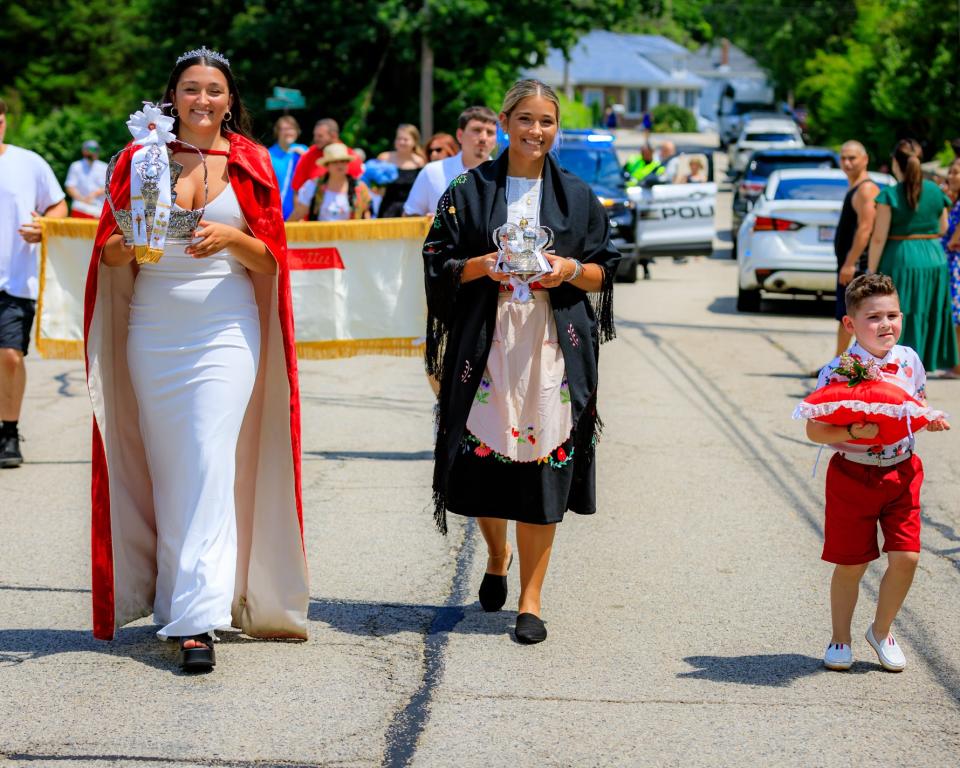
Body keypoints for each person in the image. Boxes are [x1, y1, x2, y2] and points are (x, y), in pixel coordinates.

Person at [84, 46, 309, 671]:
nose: (202, 100)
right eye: (190, 89)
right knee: (174, 466)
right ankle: (179, 599)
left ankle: (197, 622)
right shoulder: (139, 157)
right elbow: (109, 256)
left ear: (229, 100)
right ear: (172, 97)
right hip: (153, 329)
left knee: (210, 458)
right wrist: (138, 239)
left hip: (226, 328)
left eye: (214, 90)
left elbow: (272, 260)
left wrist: (235, 238)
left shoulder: (252, 162)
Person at [423, 79, 620, 645]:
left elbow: (605, 268)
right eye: (527, 119)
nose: (537, 131)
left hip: (552, 344)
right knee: (487, 465)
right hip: (488, 342)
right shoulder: (467, 189)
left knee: (544, 470)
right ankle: (496, 553)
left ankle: (531, 599)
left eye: (547, 121)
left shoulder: (578, 196)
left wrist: (567, 271)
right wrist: (482, 264)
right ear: (505, 122)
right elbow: (437, 260)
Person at [805, 274, 950, 672]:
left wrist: (928, 421)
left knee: (907, 556)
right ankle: (840, 638)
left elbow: (914, 407)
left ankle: (881, 630)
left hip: (902, 471)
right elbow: (814, 428)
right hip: (852, 474)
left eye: (893, 315)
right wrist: (852, 431)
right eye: (874, 317)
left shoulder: (909, 360)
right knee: (852, 563)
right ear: (850, 324)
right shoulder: (837, 370)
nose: (886, 324)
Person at [0, 98, 68, 468]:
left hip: (14, 279)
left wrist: (45, 225)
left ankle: (9, 433)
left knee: (10, 356)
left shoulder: (28, 162)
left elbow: (59, 205)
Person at [867, 139, 958, 373]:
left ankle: (901, 368)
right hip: (932, 256)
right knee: (927, 311)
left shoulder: (889, 194)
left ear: (896, 163)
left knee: (900, 312)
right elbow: (942, 227)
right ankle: (922, 368)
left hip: (901, 256)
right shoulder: (936, 191)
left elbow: (878, 237)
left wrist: (870, 272)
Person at [404, 106, 497, 217]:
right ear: (460, 135)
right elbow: (409, 215)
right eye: (476, 130)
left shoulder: (505, 176)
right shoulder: (432, 172)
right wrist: (428, 224)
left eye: (490, 132)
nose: (483, 138)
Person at [833, 141, 880, 357]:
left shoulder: (866, 189)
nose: (847, 162)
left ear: (865, 159)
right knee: (845, 316)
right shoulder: (854, 187)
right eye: (843, 158)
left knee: (852, 316)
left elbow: (866, 228)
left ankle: (840, 366)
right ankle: (838, 363)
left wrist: (850, 263)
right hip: (849, 264)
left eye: (852, 158)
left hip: (858, 265)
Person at [290, 142, 372, 221]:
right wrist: (284, 230)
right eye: (335, 162)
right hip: (320, 234)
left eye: (343, 161)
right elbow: (299, 212)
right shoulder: (313, 185)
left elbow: (366, 214)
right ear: (327, 165)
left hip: (350, 235)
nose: (340, 165)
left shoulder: (359, 187)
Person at [291, 117, 363, 192]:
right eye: (315, 135)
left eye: (320, 136)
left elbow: (359, 191)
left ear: (334, 136)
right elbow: (297, 189)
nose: (315, 139)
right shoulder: (310, 154)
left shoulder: (350, 156)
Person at [376, 123, 426, 218]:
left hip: (411, 211)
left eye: (405, 139)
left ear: (414, 142)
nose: (401, 142)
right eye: (399, 139)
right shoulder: (384, 158)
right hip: (387, 210)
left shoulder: (420, 162)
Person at [940, 157, 960, 377]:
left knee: (958, 316)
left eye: (956, 172)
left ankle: (958, 365)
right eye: (951, 172)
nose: (951, 176)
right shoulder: (955, 201)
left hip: (957, 263)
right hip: (953, 262)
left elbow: (953, 239)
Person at [267, 115, 308, 220]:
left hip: (300, 213)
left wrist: (305, 157)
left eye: (292, 129)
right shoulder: (268, 155)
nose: (289, 132)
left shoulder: (303, 151)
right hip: (277, 212)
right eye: (285, 129)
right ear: (277, 132)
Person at [65, 140, 108, 219]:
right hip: (80, 208)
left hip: (99, 209)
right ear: (84, 151)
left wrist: (95, 194)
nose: (94, 152)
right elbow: (69, 187)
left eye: (96, 150)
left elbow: (110, 187)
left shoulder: (104, 167)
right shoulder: (76, 166)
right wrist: (82, 199)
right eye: (92, 150)